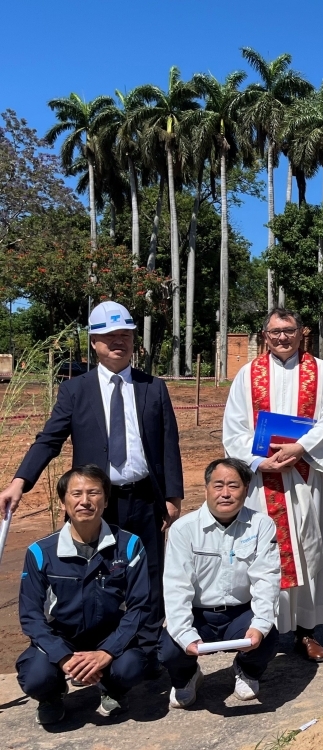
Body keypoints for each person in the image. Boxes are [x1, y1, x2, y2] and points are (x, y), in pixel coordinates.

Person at [1, 301, 182, 671]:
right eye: (110, 337)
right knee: (100, 576)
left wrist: (173, 498)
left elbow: (168, 445)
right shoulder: (76, 391)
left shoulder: (153, 388)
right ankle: (99, 652)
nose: (119, 342)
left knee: (148, 575)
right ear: (95, 342)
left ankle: (142, 657)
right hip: (97, 504)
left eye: (126, 336)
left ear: (134, 341)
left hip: (146, 498)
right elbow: (49, 439)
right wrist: (20, 482)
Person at [222, 307, 323, 663]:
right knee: (266, 552)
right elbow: (235, 429)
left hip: (306, 476)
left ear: (301, 332)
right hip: (264, 480)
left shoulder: (322, 372)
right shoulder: (247, 375)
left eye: (288, 331)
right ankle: (267, 627)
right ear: (265, 335)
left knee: (309, 548)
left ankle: (306, 630)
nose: (282, 338)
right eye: (275, 332)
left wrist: (300, 447)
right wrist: (260, 461)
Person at [17, 465, 151, 724]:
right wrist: (63, 657)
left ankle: (111, 689)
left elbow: (140, 607)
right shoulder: (40, 552)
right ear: (64, 503)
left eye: (93, 493)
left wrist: (107, 653)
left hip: (109, 635)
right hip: (63, 637)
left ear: (106, 500)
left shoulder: (130, 545)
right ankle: (52, 696)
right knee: (35, 678)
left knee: (132, 667)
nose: (85, 501)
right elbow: (31, 616)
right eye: (76, 494)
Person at [159, 458, 281, 708]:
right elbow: (176, 586)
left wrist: (259, 625)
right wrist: (184, 634)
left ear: (246, 490)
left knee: (268, 634)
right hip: (199, 615)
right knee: (169, 647)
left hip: (239, 614)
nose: (225, 493)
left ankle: (247, 670)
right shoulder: (184, 529)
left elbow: (266, 579)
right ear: (206, 488)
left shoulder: (262, 525)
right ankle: (186, 677)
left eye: (234, 486)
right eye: (218, 485)